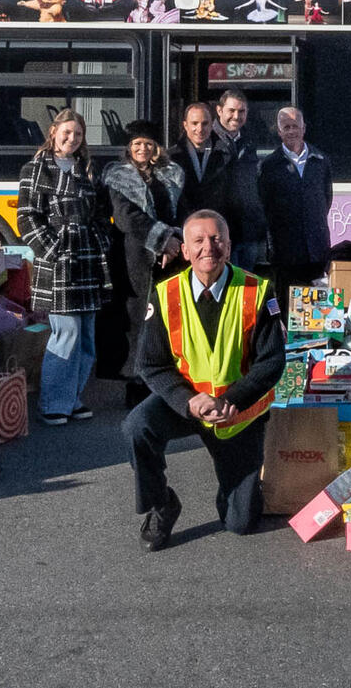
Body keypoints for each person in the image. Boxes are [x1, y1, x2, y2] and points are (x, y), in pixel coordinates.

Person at [126, 210, 287, 551]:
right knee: (136, 426)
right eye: (197, 241)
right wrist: (188, 400)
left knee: (240, 523)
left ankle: (238, 488)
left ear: (229, 247)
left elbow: (271, 362)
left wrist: (232, 400)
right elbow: (149, 364)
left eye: (216, 239)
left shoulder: (259, 291)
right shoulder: (165, 293)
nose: (207, 248)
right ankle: (161, 505)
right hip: (186, 403)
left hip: (236, 413)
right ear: (184, 250)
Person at [19, 111, 115, 426]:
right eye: (67, 132)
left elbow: (102, 213)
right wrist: (53, 250)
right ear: (54, 131)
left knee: (87, 336)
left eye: (77, 134)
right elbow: (28, 217)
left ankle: (72, 399)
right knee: (66, 333)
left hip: (87, 261)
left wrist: (101, 241)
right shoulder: (35, 169)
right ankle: (52, 404)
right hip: (60, 263)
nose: (72, 139)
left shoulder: (86, 171)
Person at [105, 121, 186, 409]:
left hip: (170, 259)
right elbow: (127, 219)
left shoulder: (171, 175)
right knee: (137, 321)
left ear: (156, 147)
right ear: (129, 147)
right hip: (133, 259)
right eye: (137, 144)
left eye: (148, 144)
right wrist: (163, 239)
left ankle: (163, 381)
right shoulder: (118, 177)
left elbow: (180, 212)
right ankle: (135, 384)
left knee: (165, 320)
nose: (143, 148)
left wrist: (175, 239)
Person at [257, 106, 334, 290]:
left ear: (304, 128)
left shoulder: (321, 160)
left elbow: (326, 200)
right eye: (286, 127)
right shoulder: (268, 166)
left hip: (317, 249)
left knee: (319, 306)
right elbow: (265, 206)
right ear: (279, 131)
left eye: (295, 126)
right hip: (285, 253)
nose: (291, 131)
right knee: (287, 306)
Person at [211, 90, 270, 270]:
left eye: (242, 112)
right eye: (231, 111)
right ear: (219, 110)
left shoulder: (250, 141)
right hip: (221, 233)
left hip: (248, 232)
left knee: (248, 290)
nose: (236, 116)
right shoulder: (208, 142)